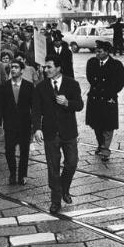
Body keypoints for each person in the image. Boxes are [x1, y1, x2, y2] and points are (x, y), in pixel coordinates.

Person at [32, 54, 84, 214]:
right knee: (53, 167)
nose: (45, 69)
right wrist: (37, 128)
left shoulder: (72, 84)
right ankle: (56, 200)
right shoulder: (40, 87)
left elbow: (80, 105)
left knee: (72, 162)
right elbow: (36, 110)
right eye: (44, 67)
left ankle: (64, 187)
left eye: (49, 67)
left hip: (68, 131)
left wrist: (67, 102)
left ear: (58, 68)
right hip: (50, 132)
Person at [85, 40, 124, 162]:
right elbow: (90, 78)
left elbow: (120, 82)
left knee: (108, 125)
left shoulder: (116, 65)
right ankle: (100, 144)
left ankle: (105, 149)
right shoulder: (91, 62)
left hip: (109, 99)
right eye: (96, 51)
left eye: (100, 51)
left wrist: (111, 93)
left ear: (107, 52)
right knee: (96, 125)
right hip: (95, 98)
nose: (97, 53)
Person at [0, 60, 34, 185]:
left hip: (25, 124)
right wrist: (0, 123)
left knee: (24, 151)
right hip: (10, 125)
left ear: (22, 70)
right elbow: (1, 106)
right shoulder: (5, 86)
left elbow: (34, 107)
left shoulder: (29, 86)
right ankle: (12, 174)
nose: (13, 69)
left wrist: (35, 126)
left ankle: (22, 175)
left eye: (16, 67)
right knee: (9, 150)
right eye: (11, 67)